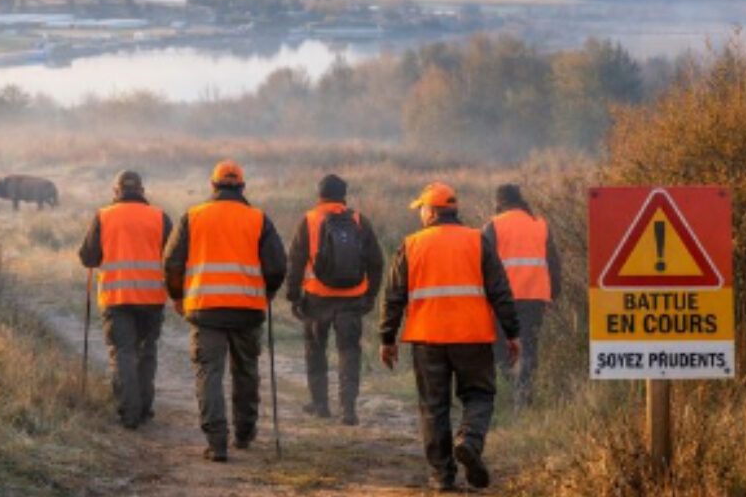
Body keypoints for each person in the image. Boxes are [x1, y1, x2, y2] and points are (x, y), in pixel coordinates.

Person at [378, 182, 520, 492]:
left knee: (433, 406)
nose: (420, 214)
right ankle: (469, 440)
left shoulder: (411, 245)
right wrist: (512, 333)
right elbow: (500, 291)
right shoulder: (478, 241)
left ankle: (442, 476)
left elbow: (393, 296)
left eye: (421, 209)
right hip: (473, 337)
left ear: (432, 212)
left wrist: (387, 338)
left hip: (427, 340)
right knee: (479, 395)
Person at [163, 160, 287, 462]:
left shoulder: (193, 217)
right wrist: (268, 292)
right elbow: (277, 266)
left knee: (209, 373)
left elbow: (172, 262)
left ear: (213, 185)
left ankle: (217, 443)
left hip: (205, 310)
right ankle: (244, 434)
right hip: (247, 309)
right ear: (242, 186)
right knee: (246, 371)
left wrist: (177, 296)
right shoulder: (258, 219)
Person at [285, 173, 384, 425]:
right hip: (352, 299)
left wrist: (293, 296)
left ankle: (320, 405)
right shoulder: (359, 220)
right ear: (343, 196)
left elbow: (295, 262)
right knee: (349, 352)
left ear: (319, 195)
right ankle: (348, 409)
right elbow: (376, 262)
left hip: (317, 299)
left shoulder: (309, 220)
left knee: (315, 350)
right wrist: (370, 296)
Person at [78, 170, 173, 429]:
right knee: (147, 352)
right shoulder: (160, 217)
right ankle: (144, 409)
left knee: (123, 353)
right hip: (152, 298)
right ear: (142, 191)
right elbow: (174, 257)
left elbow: (88, 257)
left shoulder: (104, 216)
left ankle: (129, 413)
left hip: (117, 298)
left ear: (116, 191)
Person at [483, 183, 561, 408]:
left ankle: (506, 391)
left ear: (499, 202)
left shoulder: (493, 226)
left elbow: (483, 266)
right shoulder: (540, 225)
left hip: (502, 299)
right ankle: (523, 399)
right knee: (528, 348)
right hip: (534, 297)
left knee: (500, 347)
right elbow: (553, 264)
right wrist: (554, 294)